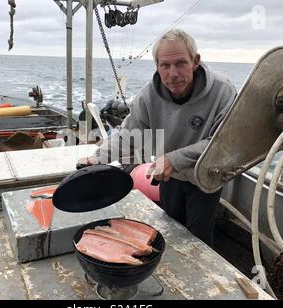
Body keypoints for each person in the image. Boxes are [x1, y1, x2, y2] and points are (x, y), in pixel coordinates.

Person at [78, 28, 237, 247]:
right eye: (165, 65)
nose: (173, 74)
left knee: (198, 241)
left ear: (195, 61)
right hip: (168, 177)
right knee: (171, 231)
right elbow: (128, 134)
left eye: (181, 63)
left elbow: (223, 143)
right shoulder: (148, 95)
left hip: (205, 176)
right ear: (157, 67)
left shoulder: (223, 91)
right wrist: (97, 158)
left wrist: (174, 159)